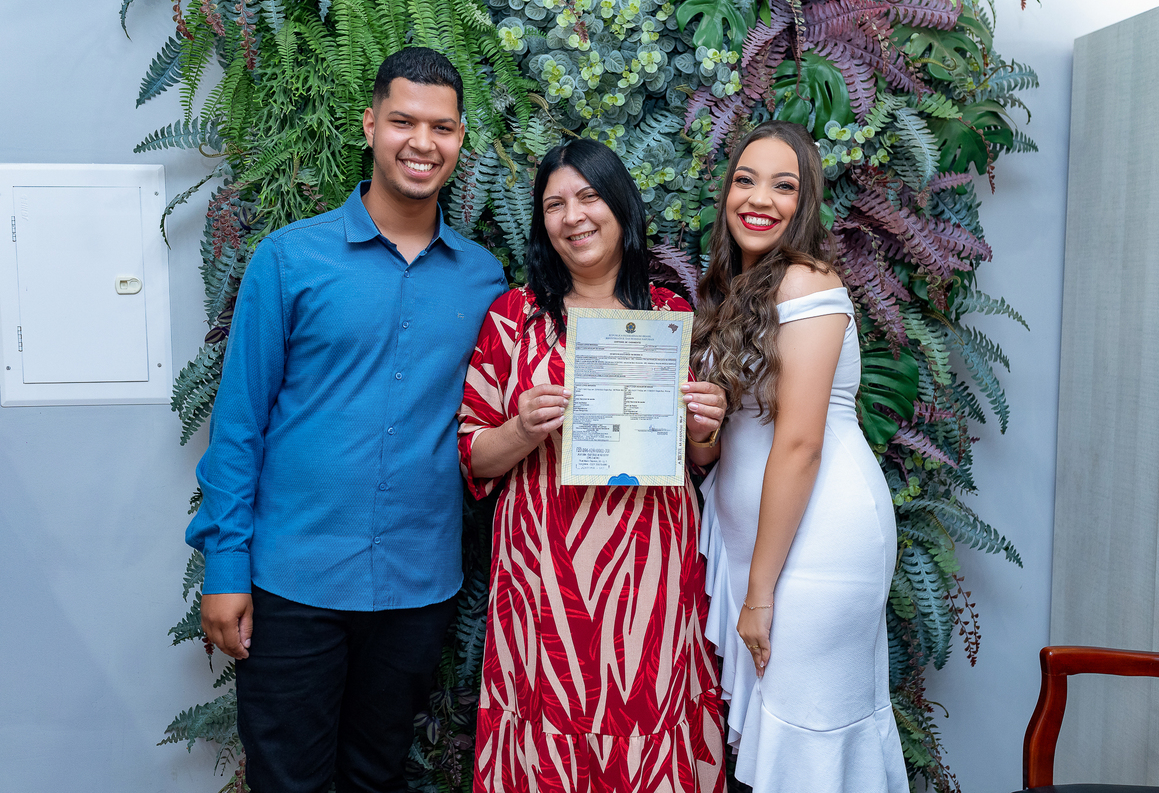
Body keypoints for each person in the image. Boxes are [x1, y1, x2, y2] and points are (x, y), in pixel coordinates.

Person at [185, 47, 508, 793]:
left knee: (376, 777)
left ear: (461, 139)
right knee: (288, 782)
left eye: (442, 127)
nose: (422, 142)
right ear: (370, 125)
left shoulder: (484, 279)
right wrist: (225, 568)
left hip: (416, 588)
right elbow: (239, 426)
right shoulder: (289, 260)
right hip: (293, 581)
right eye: (403, 121)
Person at [457, 139, 728, 793]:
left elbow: (700, 459)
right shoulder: (513, 319)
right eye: (554, 205)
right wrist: (521, 427)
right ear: (541, 223)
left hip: (649, 573)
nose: (573, 216)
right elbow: (473, 455)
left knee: (647, 708)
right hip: (543, 574)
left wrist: (705, 427)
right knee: (546, 712)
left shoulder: (670, 316)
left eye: (588, 197)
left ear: (621, 207)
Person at [691, 121, 908, 792]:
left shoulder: (807, 282)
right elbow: (721, 442)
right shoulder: (736, 289)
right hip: (759, 547)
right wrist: (699, 430)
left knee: (810, 747)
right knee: (784, 755)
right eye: (745, 180)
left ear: (805, 202)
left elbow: (799, 443)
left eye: (782, 186)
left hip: (816, 548)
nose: (759, 199)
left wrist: (760, 594)